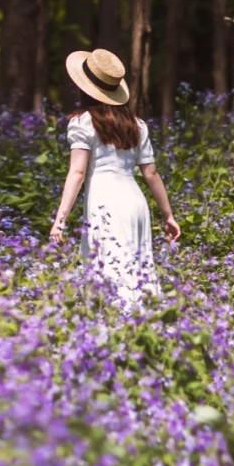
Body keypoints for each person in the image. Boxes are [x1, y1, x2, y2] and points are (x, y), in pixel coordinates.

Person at [50, 47, 180, 306]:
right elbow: (151, 173)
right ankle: (144, 326)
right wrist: (168, 215)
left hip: (105, 203)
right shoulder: (137, 125)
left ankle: (112, 331)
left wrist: (60, 220)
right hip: (135, 202)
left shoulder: (83, 122)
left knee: (108, 268)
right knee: (137, 267)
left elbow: (77, 172)